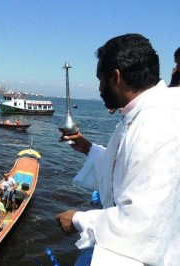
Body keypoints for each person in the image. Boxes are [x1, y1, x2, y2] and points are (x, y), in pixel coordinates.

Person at [55, 34, 180, 265]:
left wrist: (79, 219)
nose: (99, 88)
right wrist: (89, 149)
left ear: (116, 77)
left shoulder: (158, 121)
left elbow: (142, 222)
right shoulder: (143, 112)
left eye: (100, 79)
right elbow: (128, 167)